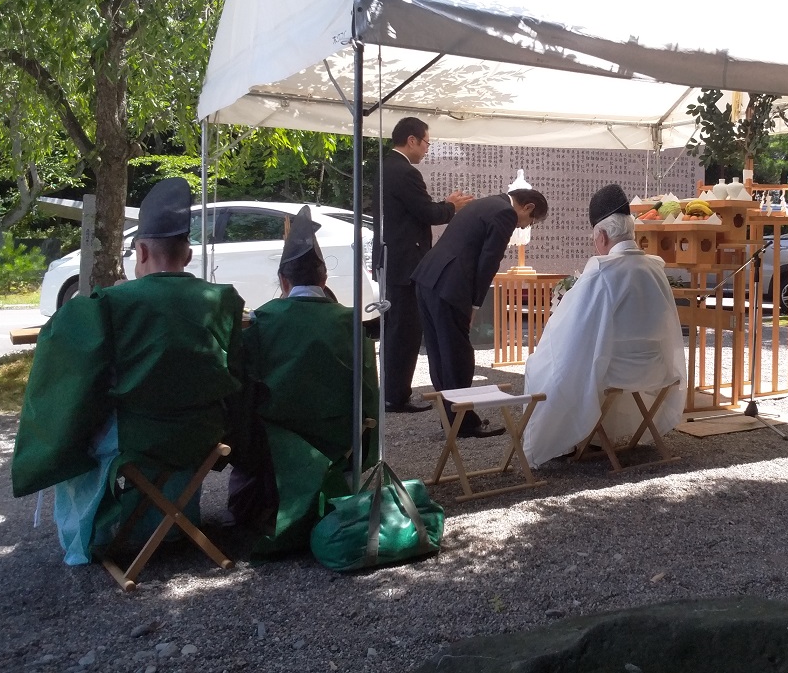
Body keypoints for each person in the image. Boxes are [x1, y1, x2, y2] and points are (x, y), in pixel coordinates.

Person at [12, 177, 244, 565]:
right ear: (187, 255)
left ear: (140, 250)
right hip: (204, 435)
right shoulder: (223, 300)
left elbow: (66, 364)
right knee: (171, 424)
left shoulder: (110, 302)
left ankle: (90, 539)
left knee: (79, 436)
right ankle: (171, 526)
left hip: (138, 440)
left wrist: (117, 296)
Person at [228, 206, 380, 556]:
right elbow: (368, 394)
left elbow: (243, 392)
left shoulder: (262, 321)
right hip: (341, 441)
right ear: (324, 277)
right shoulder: (351, 322)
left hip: (277, 448)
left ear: (283, 280)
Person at [520, 184, 686, 467]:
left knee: (542, 362)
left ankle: (559, 443)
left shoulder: (602, 271)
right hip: (655, 368)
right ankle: (599, 433)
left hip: (616, 372)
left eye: (594, 238)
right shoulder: (656, 269)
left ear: (603, 235)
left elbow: (570, 329)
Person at [412, 187, 549, 438]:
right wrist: (475, 305)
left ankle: (451, 418)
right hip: (450, 283)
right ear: (527, 207)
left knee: (439, 352)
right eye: (530, 222)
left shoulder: (485, 203)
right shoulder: (505, 213)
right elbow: (489, 261)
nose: (524, 227)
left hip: (428, 276)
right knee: (457, 354)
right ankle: (463, 421)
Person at [374, 116, 474, 413]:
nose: (427, 149)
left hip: (392, 259)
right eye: (427, 142)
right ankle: (394, 395)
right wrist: (451, 206)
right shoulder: (405, 172)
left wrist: (444, 205)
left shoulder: (385, 167)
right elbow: (427, 212)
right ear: (412, 139)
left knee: (395, 329)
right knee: (405, 331)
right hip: (406, 262)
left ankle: (392, 393)